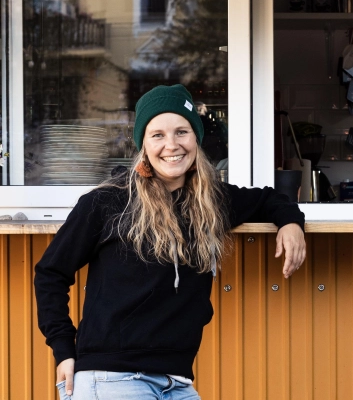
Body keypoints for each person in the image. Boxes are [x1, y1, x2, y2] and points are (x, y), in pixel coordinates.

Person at [34, 85, 307, 400]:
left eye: (182, 132)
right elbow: (51, 274)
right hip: (113, 378)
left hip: (176, 382)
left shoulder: (212, 201)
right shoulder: (109, 201)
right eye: (158, 135)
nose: (171, 145)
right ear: (143, 143)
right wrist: (63, 349)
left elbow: (269, 199)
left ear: (196, 138)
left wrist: (290, 223)